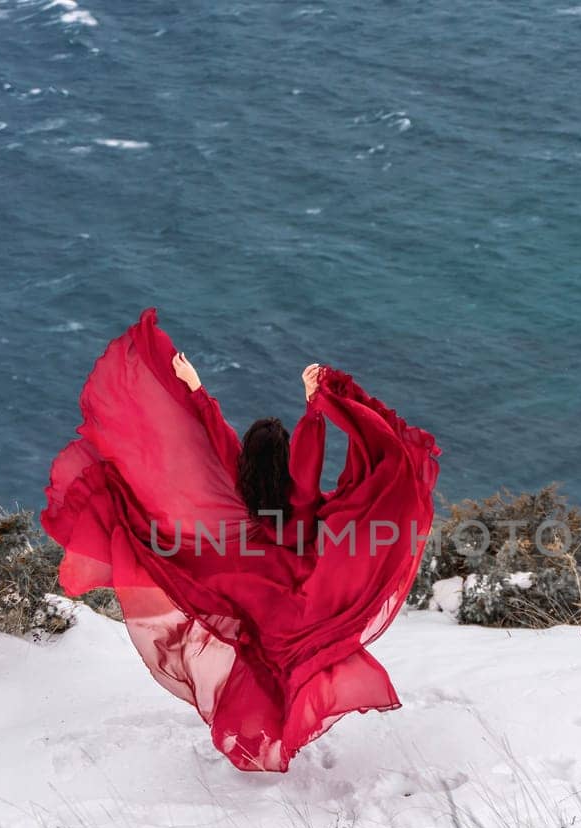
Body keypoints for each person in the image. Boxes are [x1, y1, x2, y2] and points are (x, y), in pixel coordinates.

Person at [42, 309, 440, 772]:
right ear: (285, 456)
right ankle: (286, 731)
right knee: (295, 662)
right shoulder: (300, 490)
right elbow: (310, 455)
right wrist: (315, 404)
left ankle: (266, 735)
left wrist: (193, 386)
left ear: (248, 456)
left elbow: (214, 434)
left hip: (248, 581)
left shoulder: (237, 482)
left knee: (262, 663)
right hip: (301, 585)